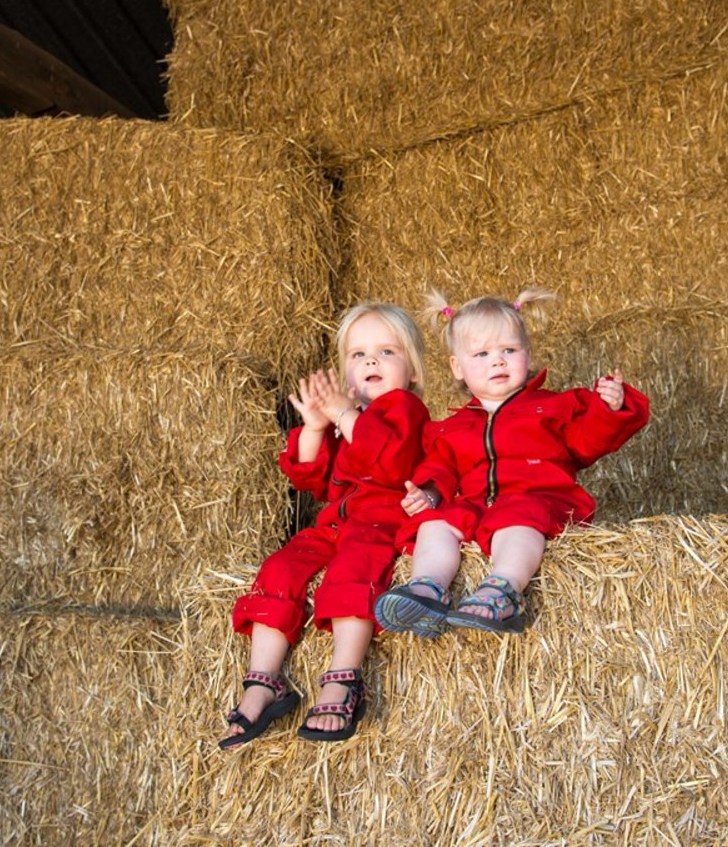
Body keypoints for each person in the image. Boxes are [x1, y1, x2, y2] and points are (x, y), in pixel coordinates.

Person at [374, 289, 648, 636]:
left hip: (538, 500)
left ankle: (502, 591)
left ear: (527, 354)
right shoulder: (451, 427)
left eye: (509, 350)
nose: (498, 361)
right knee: (435, 523)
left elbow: (586, 442)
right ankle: (426, 590)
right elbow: (441, 465)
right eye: (482, 353)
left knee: (517, 520)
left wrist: (608, 410)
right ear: (457, 367)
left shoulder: (553, 408)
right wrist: (429, 493)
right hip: (476, 504)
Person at [220, 303, 429, 748]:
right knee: (280, 568)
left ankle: (343, 677)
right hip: (335, 526)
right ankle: (263, 681)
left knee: (351, 572)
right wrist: (315, 426)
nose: (371, 361)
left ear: (412, 370)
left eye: (387, 351)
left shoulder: (406, 410)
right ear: (344, 373)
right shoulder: (342, 421)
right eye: (358, 355)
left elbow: (393, 466)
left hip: (380, 526)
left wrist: (343, 416)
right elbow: (311, 480)